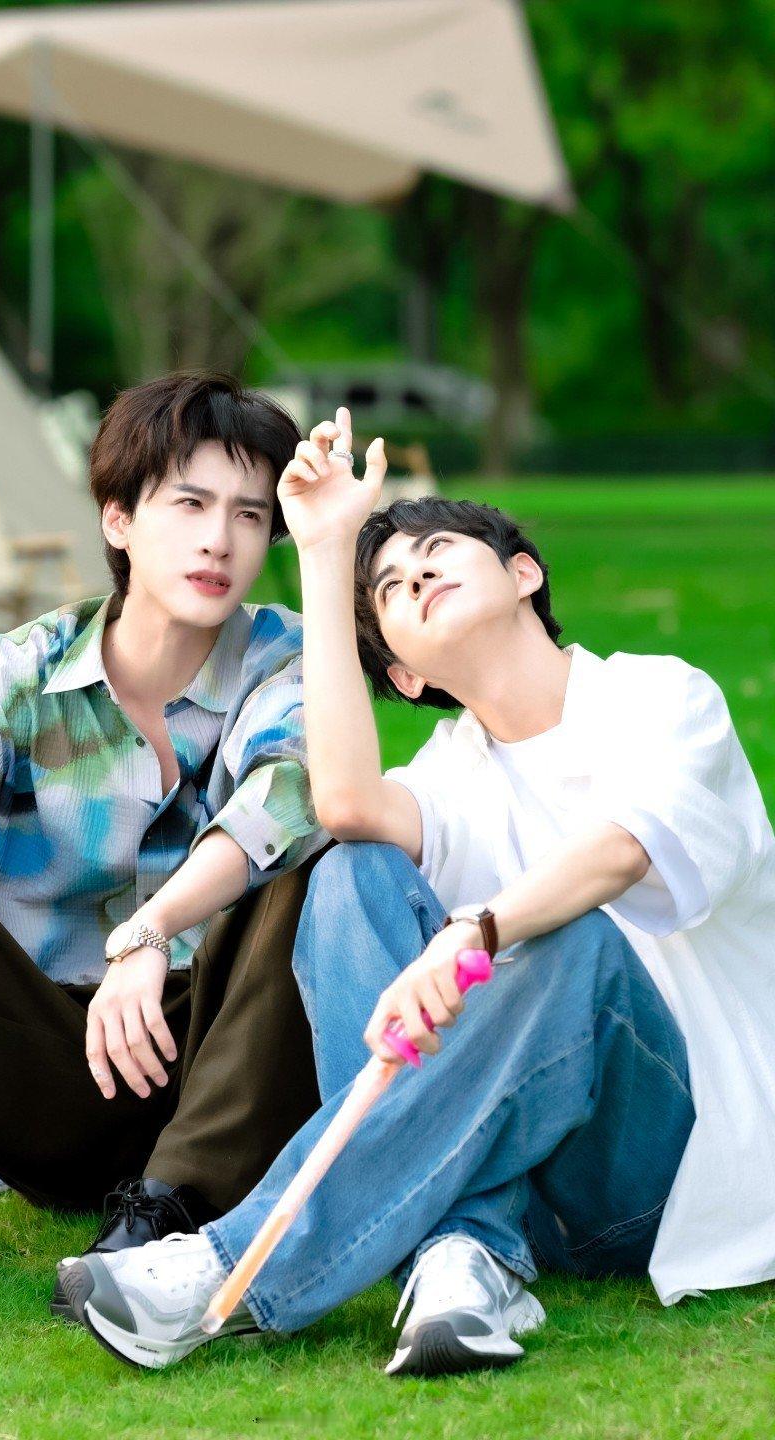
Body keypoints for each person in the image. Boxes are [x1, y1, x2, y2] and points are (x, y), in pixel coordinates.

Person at [61, 407, 775, 1377]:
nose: (417, 575)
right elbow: (345, 804)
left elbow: (623, 852)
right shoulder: (453, 773)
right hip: (536, 1180)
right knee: (349, 870)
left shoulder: (659, 696)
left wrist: (477, 928)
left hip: (669, 1167)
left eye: (439, 552)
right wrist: (324, 552)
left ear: (524, 574)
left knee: (575, 942)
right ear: (400, 672)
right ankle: (462, 1256)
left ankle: (226, 1269)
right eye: (391, 585)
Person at [0, 372, 328, 1326]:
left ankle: (172, 1220)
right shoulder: (22, 670)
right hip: (57, 1068)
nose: (220, 540)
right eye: (190, 504)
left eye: (250, 515)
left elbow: (290, 795)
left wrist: (149, 932)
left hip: (224, 1061)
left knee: (307, 872)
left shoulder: (288, 657)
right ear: (119, 519)